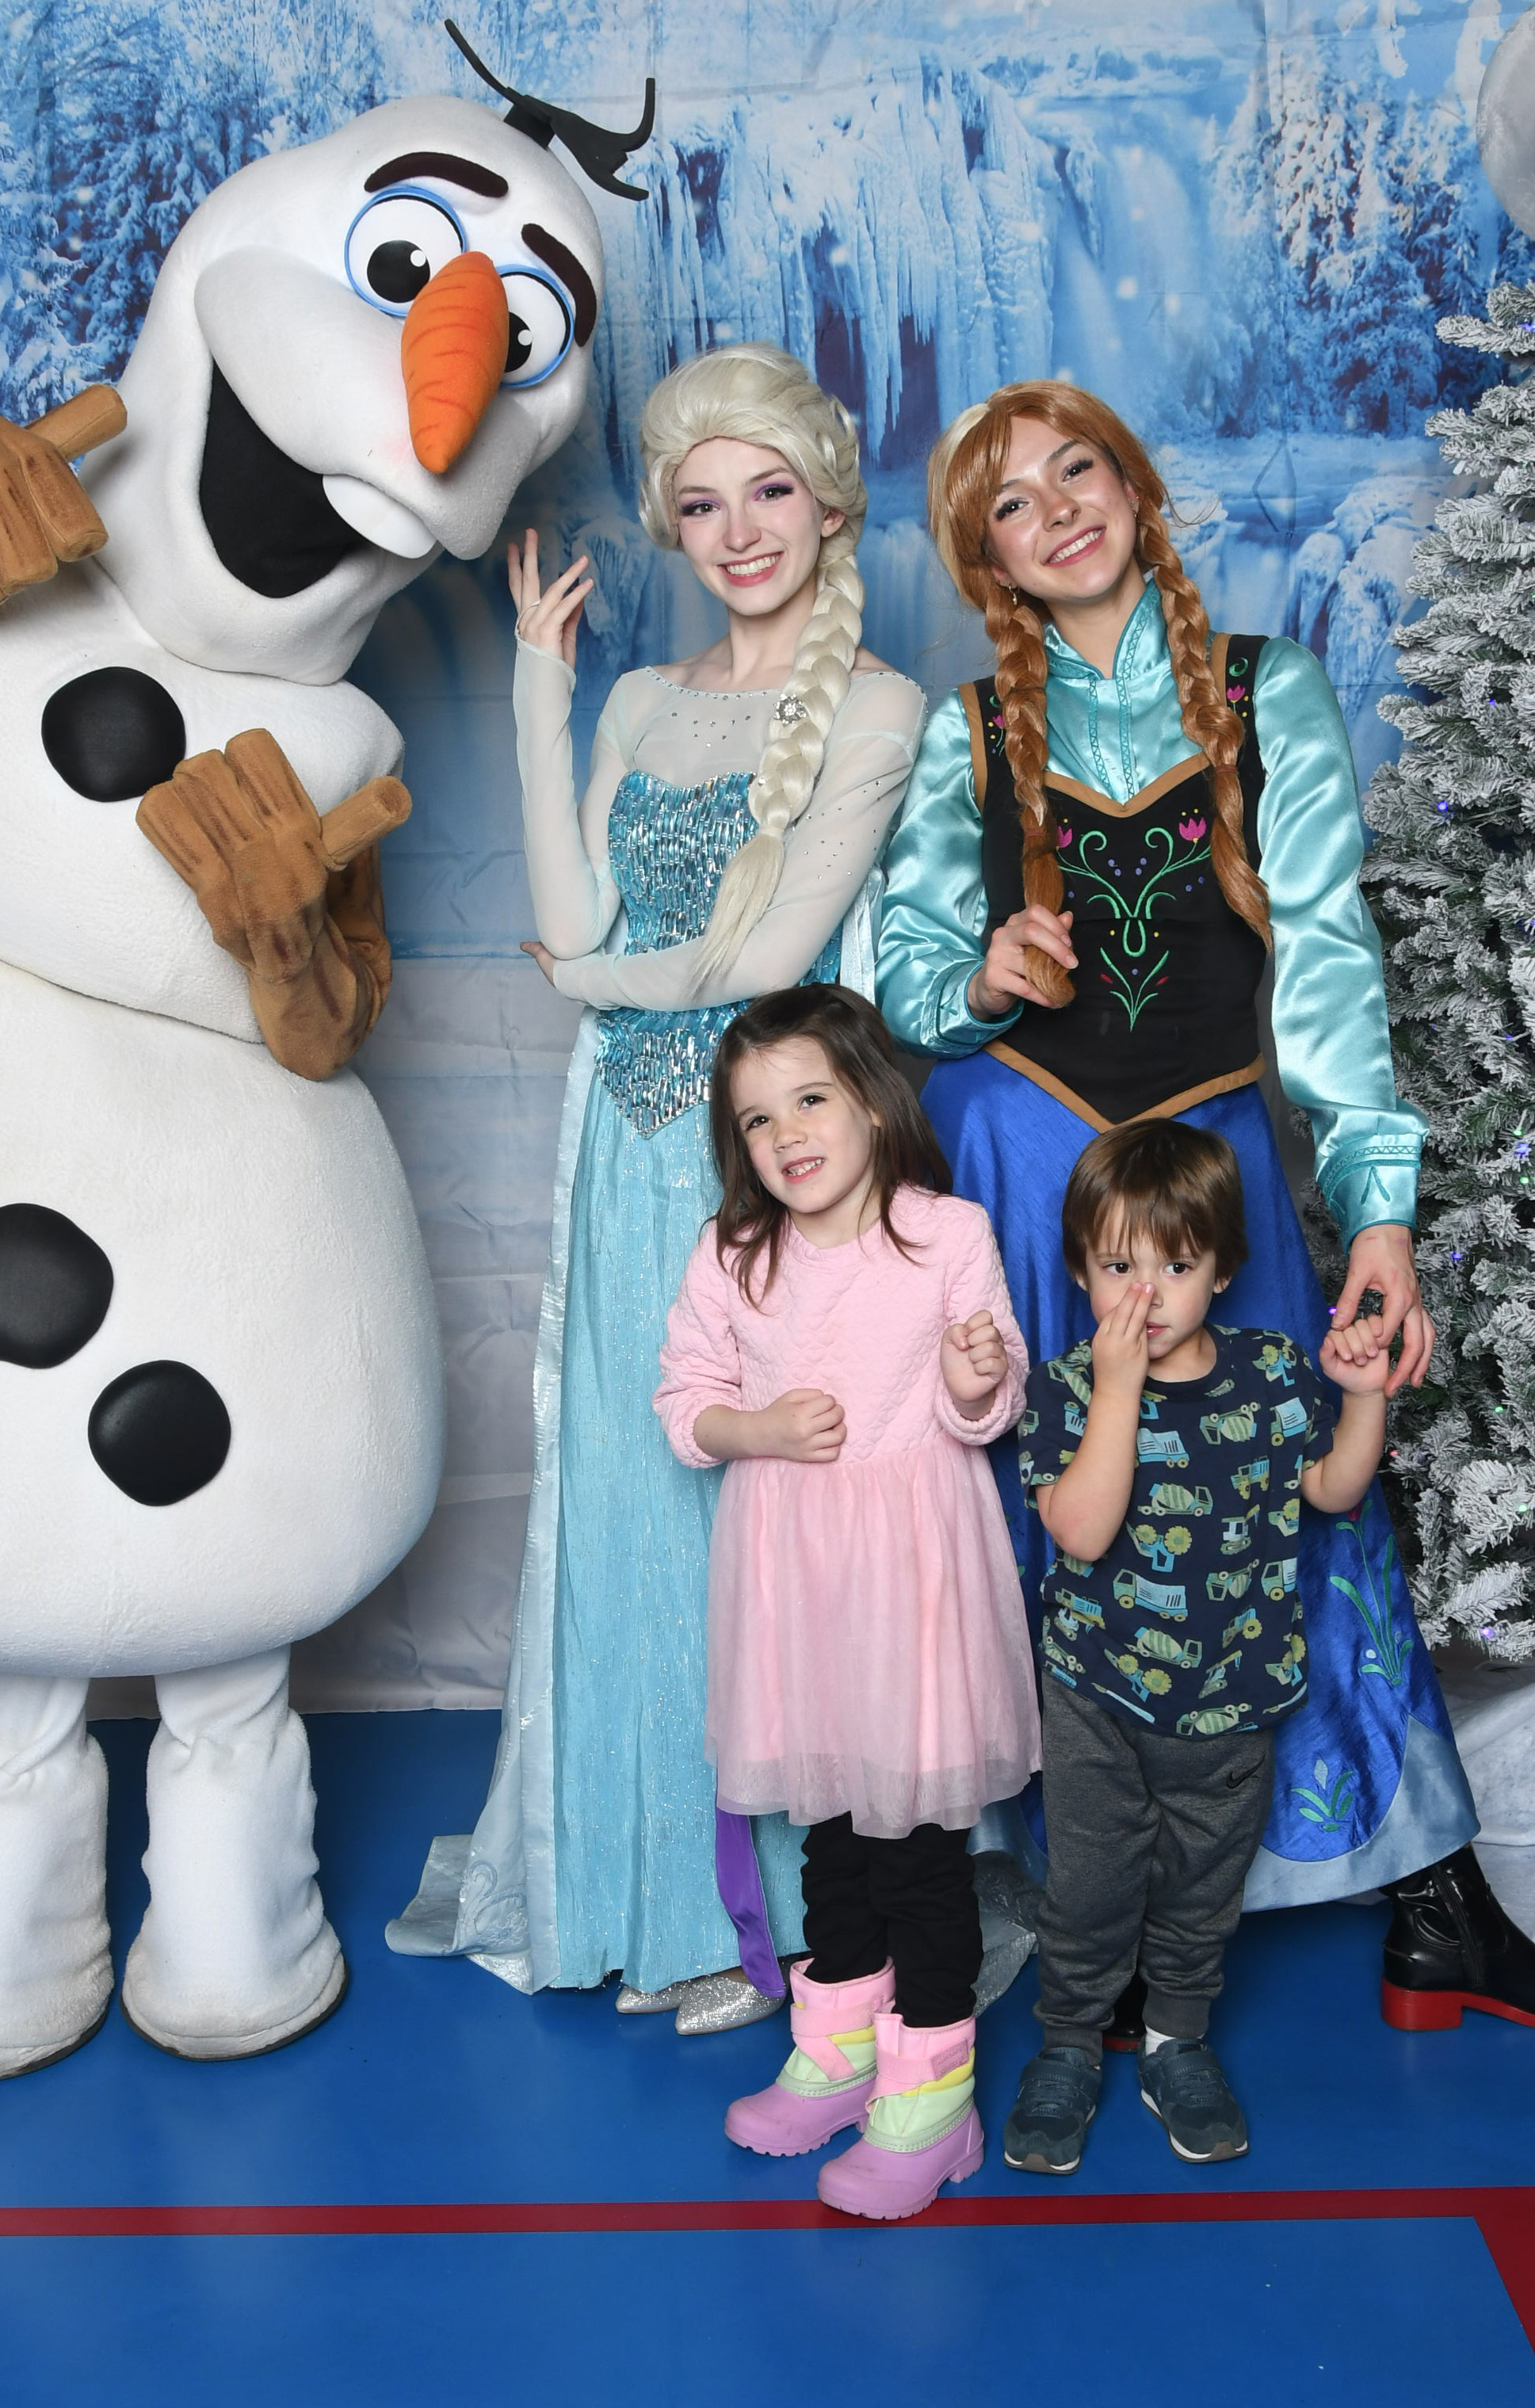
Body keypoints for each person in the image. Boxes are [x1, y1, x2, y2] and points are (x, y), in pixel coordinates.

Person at [876, 381, 1535, 2033]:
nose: (1059, 510)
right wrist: (982, 972)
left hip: (1218, 1169)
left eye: (1081, 470)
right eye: (1014, 504)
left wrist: (1380, 1213)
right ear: (990, 562)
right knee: (1065, 1510)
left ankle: (1432, 1896)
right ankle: (1099, 1906)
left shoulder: (1264, 692)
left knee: (1307, 1502)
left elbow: (1332, 966)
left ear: (1139, 488)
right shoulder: (967, 731)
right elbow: (901, 976)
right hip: (1027, 1173)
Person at [388, 349, 924, 2028]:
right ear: (671, 530)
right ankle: (632, 1887)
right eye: (700, 503)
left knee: (751, 1524)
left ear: (827, 502)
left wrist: (587, 982)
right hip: (622, 1153)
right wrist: (539, 696)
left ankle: (759, 1920)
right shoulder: (636, 698)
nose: (738, 529)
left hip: (761, 1161)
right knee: (626, 1503)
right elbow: (568, 911)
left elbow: (763, 964)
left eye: (768, 490)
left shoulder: (881, 706)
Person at [655, 986, 1039, 2216]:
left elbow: (990, 1404)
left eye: (810, 1098)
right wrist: (756, 1427)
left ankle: (934, 2095)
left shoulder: (946, 1234)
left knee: (916, 1846)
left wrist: (975, 1378)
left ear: (873, 1100)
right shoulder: (734, 1252)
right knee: (828, 1822)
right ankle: (841, 2051)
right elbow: (685, 1398)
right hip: (798, 1588)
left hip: (912, 1585)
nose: (787, 1135)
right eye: (757, 1118)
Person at [1004, 1121, 1392, 2174]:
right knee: (1090, 1885)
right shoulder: (1068, 1388)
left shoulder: (1270, 1373)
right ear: (1080, 1271)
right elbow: (1083, 1531)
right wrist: (1120, 1387)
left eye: (1176, 1266)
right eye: (1118, 1267)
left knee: (1200, 1889)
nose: (1147, 1294)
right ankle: (1070, 2043)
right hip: (1098, 1695)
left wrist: (1363, 1394)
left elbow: (1334, 1490)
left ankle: (1176, 2040)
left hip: (1232, 1700)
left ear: (1222, 1269)